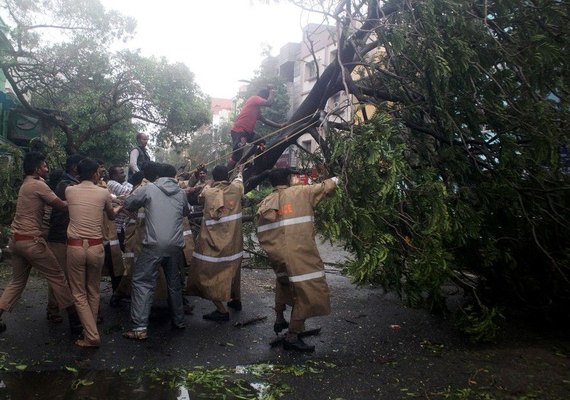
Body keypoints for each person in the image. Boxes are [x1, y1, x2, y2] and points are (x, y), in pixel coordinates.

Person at [255, 168, 339, 352]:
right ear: (289, 179)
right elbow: (327, 186)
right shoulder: (302, 192)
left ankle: (279, 318)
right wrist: (341, 175)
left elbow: (263, 234)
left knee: (284, 283)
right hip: (301, 255)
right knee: (308, 292)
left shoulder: (265, 203)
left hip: (278, 256)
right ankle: (292, 336)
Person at [0, 152, 80, 335]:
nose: (47, 168)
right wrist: (83, 200)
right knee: (58, 277)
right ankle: (75, 322)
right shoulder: (38, 184)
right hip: (32, 242)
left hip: (17, 241)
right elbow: (61, 205)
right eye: (44, 166)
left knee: (17, 282)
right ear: (37, 168)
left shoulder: (25, 184)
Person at [122, 162, 190, 340]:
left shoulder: (149, 189)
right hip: (175, 245)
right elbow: (185, 212)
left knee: (142, 282)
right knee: (174, 283)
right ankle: (179, 321)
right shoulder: (181, 193)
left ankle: (139, 328)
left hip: (153, 245)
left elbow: (129, 203)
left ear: (158, 176)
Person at [65, 158, 121, 347]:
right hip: (96, 247)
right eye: (99, 171)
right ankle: (92, 332)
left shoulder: (70, 191)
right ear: (96, 173)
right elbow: (111, 215)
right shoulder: (104, 192)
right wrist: (119, 207)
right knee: (93, 291)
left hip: (75, 246)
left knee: (78, 293)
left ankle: (90, 334)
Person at [186, 165, 244, 321]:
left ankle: (221, 310)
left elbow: (200, 197)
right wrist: (239, 170)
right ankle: (235, 300)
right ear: (227, 176)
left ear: (214, 177)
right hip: (234, 242)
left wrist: (209, 183)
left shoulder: (209, 192)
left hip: (212, 242)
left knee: (206, 274)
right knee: (233, 269)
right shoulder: (237, 189)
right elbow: (239, 179)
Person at [45, 154, 84, 324]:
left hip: (67, 236)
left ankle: (63, 310)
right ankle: (54, 310)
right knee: (59, 275)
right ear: (75, 167)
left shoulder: (69, 184)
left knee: (66, 275)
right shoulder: (66, 186)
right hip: (60, 236)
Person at [227, 85, 284, 169]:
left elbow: (265, 120)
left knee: (261, 142)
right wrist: (271, 92)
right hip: (239, 131)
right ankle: (225, 177)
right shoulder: (254, 98)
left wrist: (280, 126)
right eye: (266, 98)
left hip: (248, 133)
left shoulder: (257, 109)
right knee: (236, 157)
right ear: (263, 97)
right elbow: (269, 103)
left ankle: (244, 161)